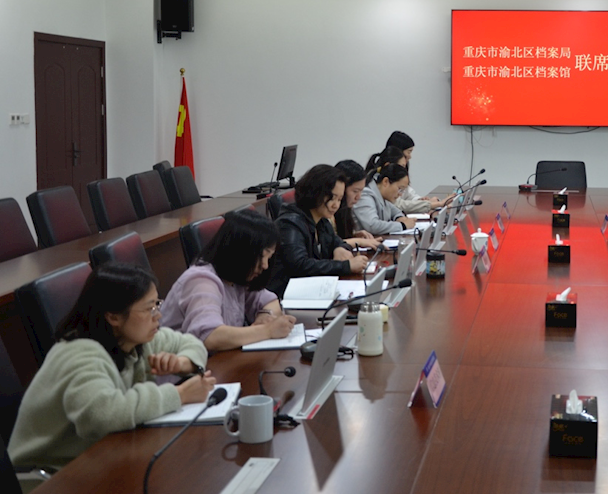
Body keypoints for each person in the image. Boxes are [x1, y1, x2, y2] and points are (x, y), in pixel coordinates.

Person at [9, 263, 214, 469]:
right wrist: (179, 394)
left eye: (157, 304)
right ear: (113, 316)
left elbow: (191, 343)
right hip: (47, 474)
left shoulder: (136, 339)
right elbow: (101, 416)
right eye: (149, 308)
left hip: (95, 457)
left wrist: (182, 362)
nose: (157, 315)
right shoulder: (79, 353)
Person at [160, 210, 296, 351]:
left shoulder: (237, 276)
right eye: (262, 256)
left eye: (269, 257)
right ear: (241, 251)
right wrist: (267, 330)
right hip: (179, 363)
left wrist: (265, 315)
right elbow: (209, 337)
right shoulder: (201, 281)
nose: (265, 265)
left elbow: (270, 301)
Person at [267, 164, 373, 297]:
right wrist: (346, 266)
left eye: (339, 199)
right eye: (332, 198)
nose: (336, 205)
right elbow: (300, 265)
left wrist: (339, 248)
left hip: (310, 291)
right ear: (315, 192)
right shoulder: (290, 223)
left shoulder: (321, 221)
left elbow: (338, 242)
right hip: (286, 296)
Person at [369, 140, 451, 214]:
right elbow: (399, 205)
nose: (399, 193)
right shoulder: (372, 190)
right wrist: (435, 204)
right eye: (401, 166)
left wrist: (420, 201)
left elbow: (408, 195)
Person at [353, 162, 416, 235]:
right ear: (385, 182)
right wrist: (403, 225)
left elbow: (396, 211)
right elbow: (373, 226)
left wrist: (399, 217)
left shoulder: (383, 196)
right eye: (400, 189)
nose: (400, 194)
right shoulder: (365, 195)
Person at [333, 159, 377, 240]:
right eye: (355, 191)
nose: (358, 197)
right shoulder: (329, 214)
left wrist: (354, 235)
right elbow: (331, 245)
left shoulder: (345, 211)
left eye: (361, 191)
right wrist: (356, 241)